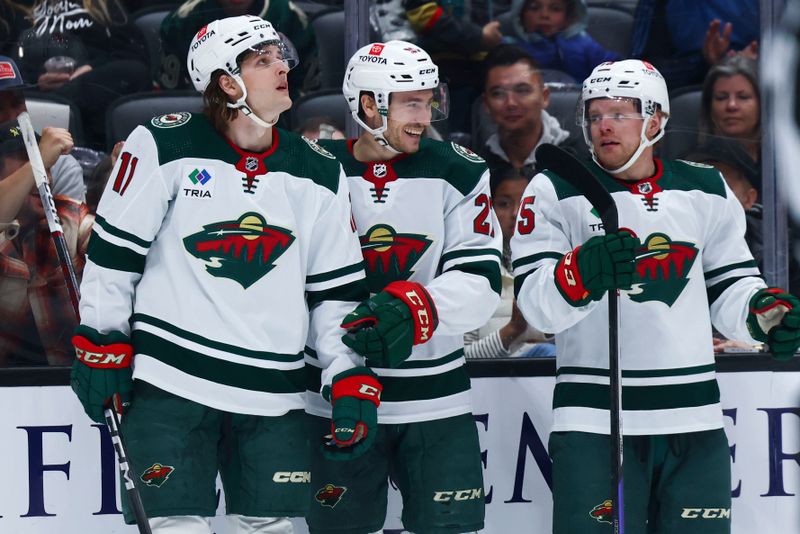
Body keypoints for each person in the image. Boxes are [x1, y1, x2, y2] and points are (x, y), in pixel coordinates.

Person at [69, 15, 366, 533]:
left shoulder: (319, 170)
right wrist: (102, 337)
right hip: (170, 384)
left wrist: (345, 373)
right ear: (227, 83)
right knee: (174, 525)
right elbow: (114, 259)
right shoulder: (162, 145)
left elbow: (336, 294)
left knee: (273, 527)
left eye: (281, 56)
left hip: (275, 393)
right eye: (263, 59)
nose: (282, 67)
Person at [511, 59, 800, 533]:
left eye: (619, 112)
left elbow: (729, 286)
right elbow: (538, 305)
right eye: (595, 113)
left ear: (656, 120)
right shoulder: (555, 187)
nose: (603, 125)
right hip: (594, 424)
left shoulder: (706, 187)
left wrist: (762, 313)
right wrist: (578, 274)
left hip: (694, 420)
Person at [305, 41, 502, 534]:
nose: (425, 114)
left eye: (428, 100)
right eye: (410, 102)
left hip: (436, 400)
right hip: (336, 394)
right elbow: (300, 290)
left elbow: (480, 283)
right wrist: (342, 365)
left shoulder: (460, 168)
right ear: (369, 104)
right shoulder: (313, 169)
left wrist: (415, 308)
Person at [0, 119, 85, 367]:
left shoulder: (69, 216)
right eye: (28, 161)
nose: (43, 174)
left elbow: (117, 249)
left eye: (46, 164)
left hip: (59, 388)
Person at [14, 0, 150, 149]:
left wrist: (91, 67)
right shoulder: (19, 8)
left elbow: (133, 53)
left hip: (93, 86)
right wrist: (38, 82)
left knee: (133, 71)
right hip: (40, 94)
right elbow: (12, 65)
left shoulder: (102, 4)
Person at [464, 167, 554, 358]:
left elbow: (578, 346)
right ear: (488, 209)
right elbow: (463, 357)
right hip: (492, 384)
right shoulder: (473, 270)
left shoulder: (559, 265)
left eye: (525, 204)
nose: (515, 213)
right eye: (504, 204)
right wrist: (513, 329)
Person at [158, 0, 319, 99]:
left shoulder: (290, 17)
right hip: (207, 117)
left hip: (278, 120)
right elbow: (171, 94)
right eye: (263, 60)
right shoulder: (182, 21)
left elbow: (308, 94)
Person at [404, 0, 508, 134]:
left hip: (486, 67)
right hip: (445, 69)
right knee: (448, 139)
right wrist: (478, 36)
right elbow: (421, 12)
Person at [478, 44, 581, 179]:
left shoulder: (578, 159)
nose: (511, 103)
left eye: (522, 90)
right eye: (498, 93)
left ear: (544, 97)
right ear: (486, 103)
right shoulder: (477, 167)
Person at [631, 0, 759, 90]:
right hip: (685, 98)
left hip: (759, 89)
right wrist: (703, 61)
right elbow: (643, 75)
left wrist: (751, 64)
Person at [498, 0, 621, 83]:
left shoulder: (583, 44)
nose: (544, 15)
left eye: (555, 9)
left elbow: (611, 66)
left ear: (569, 16)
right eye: (534, 8)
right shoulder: (511, 49)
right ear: (520, 15)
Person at [700, 54, 760, 163]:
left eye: (743, 97)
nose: (731, 105)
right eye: (721, 98)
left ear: (762, 104)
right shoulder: (694, 166)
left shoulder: (788, 161)